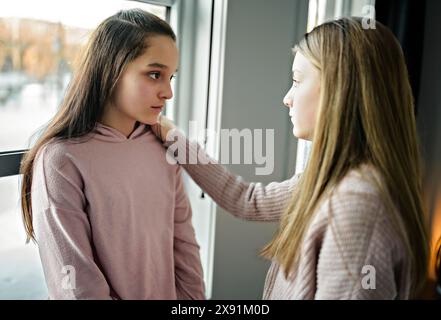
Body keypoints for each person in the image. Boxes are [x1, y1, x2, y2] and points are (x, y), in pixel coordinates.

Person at [152, 17, 429, 299]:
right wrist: (174, 138)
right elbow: (247, 200)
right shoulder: (331, 178)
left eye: (297, 81)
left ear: (339, 89)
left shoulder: (358, 206)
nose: (287, 98)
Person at [19, 9, 205, 300]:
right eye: (155, 74)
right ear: (111, 70)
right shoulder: (60, 160)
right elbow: (76, 284)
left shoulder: (163, 148)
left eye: (171, 77)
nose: (168, 92)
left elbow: (184, 247)